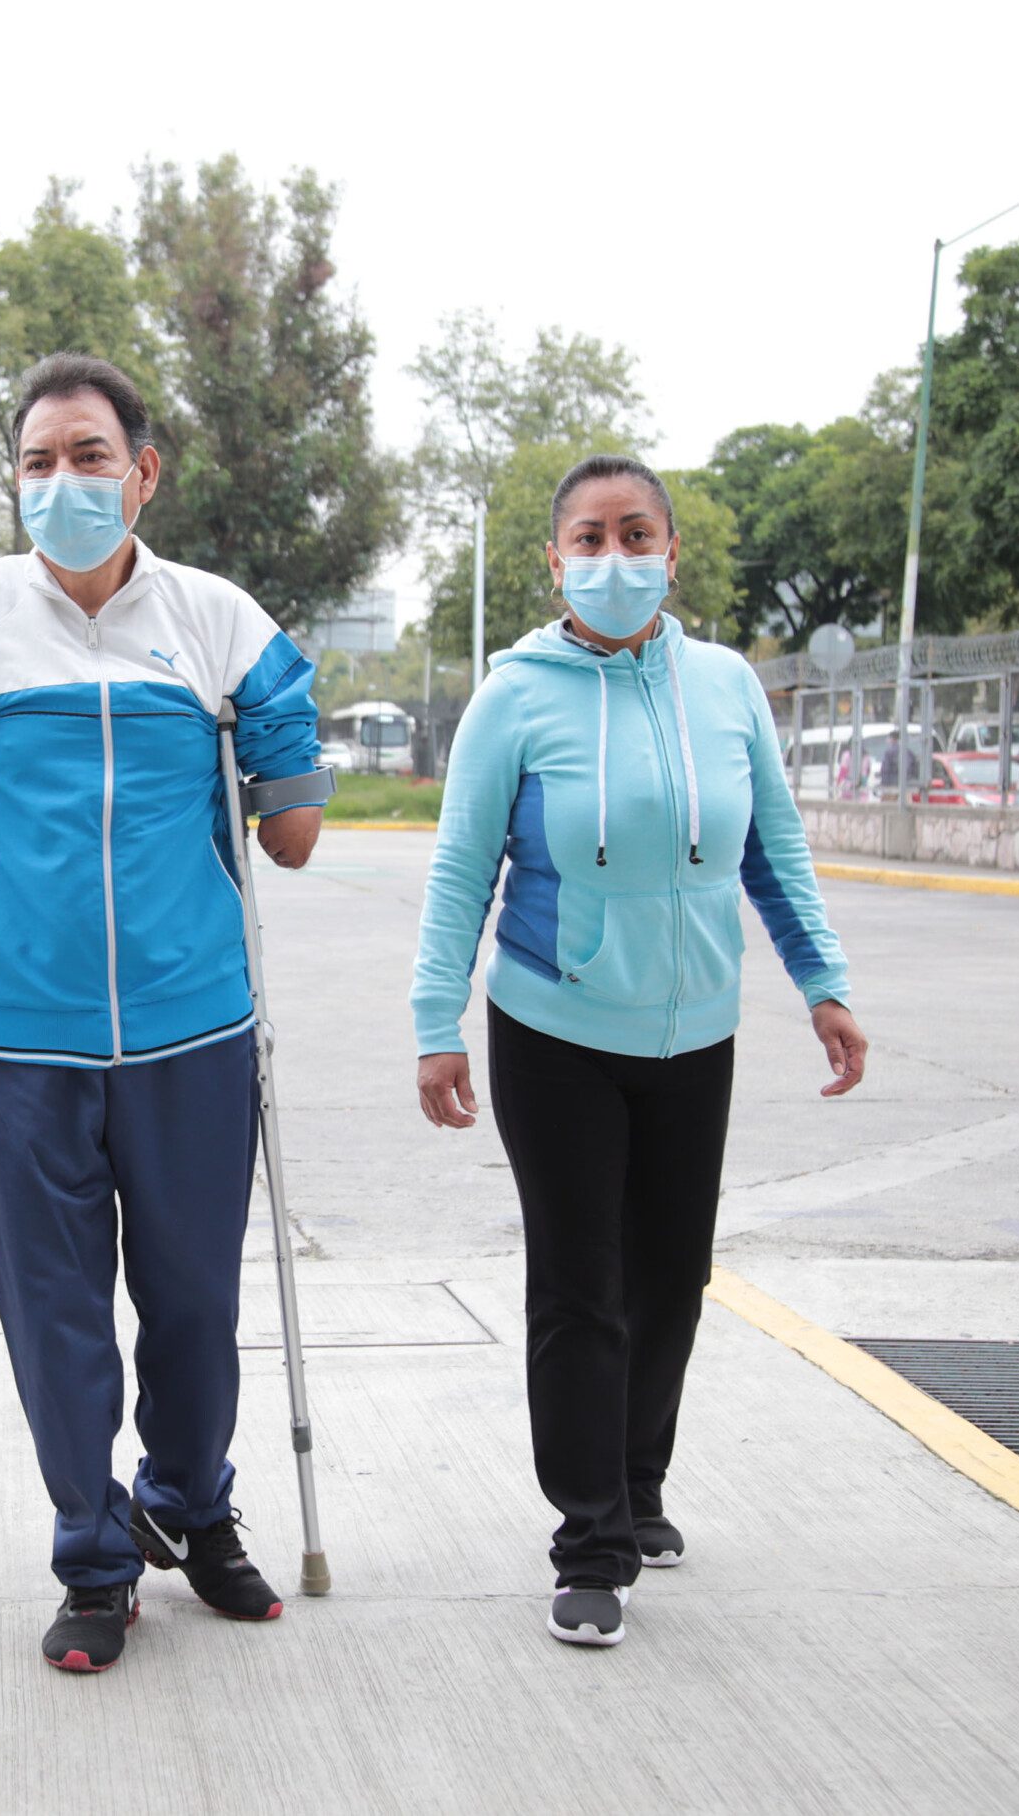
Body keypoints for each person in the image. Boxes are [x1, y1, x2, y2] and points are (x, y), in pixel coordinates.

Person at [0, 354, 325, 1673]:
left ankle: (194, 1503)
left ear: (143, 470)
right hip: (20, 1028)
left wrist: (279, 753)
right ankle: (94, 1548)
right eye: (37, 461)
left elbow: (290, 829)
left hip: (194, 1023)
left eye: (87, 455)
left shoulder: (215, 618)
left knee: (191, 1297)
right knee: (54, 1308)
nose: (63, 482)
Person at [410, 453, 867, 1652]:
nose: (616, 558)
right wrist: (431, 1024)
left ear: (671, 550)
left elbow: (774, 845)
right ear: (553, 560)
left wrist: (822, 981)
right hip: (552, 1025)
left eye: (637, 534)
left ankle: (638, 1478)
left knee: (673, 1271)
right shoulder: (514, 696)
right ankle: (589, 1538)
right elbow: (463, 871)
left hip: (694, 1026)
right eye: (589, 539)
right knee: (580, 1282)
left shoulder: (724, 688)